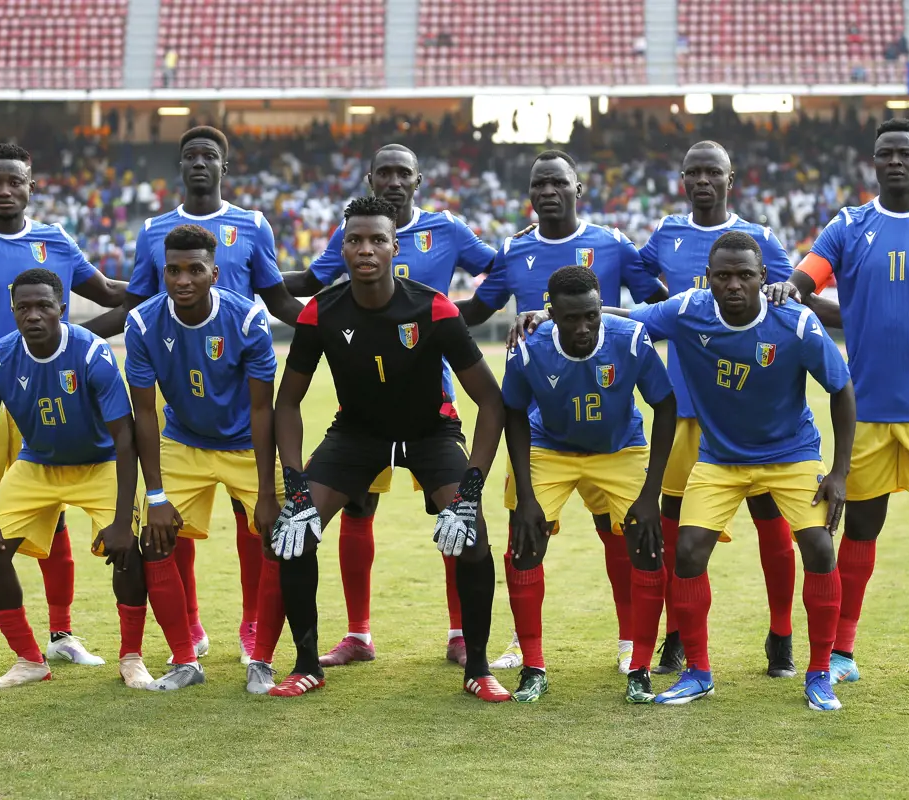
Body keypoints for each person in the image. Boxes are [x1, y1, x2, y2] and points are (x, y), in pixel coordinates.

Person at [525, 232, 855, 710]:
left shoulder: (795, 321)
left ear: (764, 278)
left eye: (745, 275)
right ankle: (699, 671)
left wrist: (839, 472)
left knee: (819, 547)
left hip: (791, 455)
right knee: (688, 551)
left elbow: (841, 389)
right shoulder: (688, 311)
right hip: (720, 458)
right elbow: (626, 318)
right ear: (709, 279)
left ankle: (820, 673)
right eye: (723, 275)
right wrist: (546, 318)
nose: (734, 284)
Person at [766, 118, 909, 693]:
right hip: (865, 409)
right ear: (873, 164)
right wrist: (790, 289)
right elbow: (807, 278)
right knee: (861, 528)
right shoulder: (849, 226)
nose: (894, 161)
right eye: (884, 154)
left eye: (905, 153)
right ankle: (843, 652)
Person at [270, 197, 508, 700]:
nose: (365, 249)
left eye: (377, 239)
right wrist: (294, 487)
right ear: (342, 248)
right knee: (294, 531)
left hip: (431, 432)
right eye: (354, 240)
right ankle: (306, 663)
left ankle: (479, 669)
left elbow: (490, 401)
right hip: (356, 435)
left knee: (473, 535)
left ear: (394, 247)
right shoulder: (321, 313)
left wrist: (469, 491)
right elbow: (286, 404)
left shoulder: (433, 307)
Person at [0, 142, 127, 676]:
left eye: (15, 181)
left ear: (32, 186)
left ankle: (61, 634)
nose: (5, 190)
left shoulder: (55, 240)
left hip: (49, 395)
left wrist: (169, 288)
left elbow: (106, 293)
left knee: (52, 515)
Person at [458, 149, 667, 674]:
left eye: (558, 183)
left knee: (616, 534)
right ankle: (520, 644)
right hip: (540, 410)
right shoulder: (513, 250)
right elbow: (476, 312)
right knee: (523, 535)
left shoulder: (613, 244)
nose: (548, 192)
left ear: (579, 189)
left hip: (609, 407)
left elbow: (653, 307)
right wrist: (414, 308)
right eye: (538, 185)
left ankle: (628, 642)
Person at [104, 126, 302, 668]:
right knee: (171, 523)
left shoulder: (253, 225)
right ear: (179, 165)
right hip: (183, 400)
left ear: (224, 166)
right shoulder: (153, 232)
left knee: (255, 524)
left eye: (209, 156)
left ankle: (252, 625)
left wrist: (334, 325)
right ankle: (187, 627)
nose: (199, 163)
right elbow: (139, 303)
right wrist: (78, 337)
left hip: (242, 398)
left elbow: (278, 296)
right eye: (189, 155)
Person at [637, 140, 814, 678]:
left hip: (749, 411)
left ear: (730, 178)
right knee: (676, 531)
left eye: (713, 171)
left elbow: (789, 297)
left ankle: (780, 635)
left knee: (770, 523)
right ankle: (676, 637)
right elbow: (644, 292)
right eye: (693, 172)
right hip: (685, 408)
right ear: (683, 179)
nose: (703, 180)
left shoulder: (759, 239)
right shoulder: (666, 235)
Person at [0, 269, 152, 689]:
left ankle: (132, 658)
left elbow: (125, 436)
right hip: (37, 465)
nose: (33, 315)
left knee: (128, 550)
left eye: (43, 306)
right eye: (23, 307)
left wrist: (123, 520)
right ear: (12, 312)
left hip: (99, 462)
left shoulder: (90, 353)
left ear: (62, 309)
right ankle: (29, 660)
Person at [503, 265, 677, 704]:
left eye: (591, 316)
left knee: (646, 544)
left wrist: (650, 494)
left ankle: (639, 669)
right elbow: (513, 414)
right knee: (524, 544)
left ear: (601, 309)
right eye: (570, 319)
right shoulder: (528, 347)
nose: (582, 327)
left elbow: (665, 405)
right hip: (550, 448)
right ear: (550, 314)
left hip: (620, 449)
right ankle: (533, 667)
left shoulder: (631, 340)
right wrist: (525, 496)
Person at [123, 224, 279, 692]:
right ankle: (185, 660)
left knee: (280, 536)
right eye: (173, 270)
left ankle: (262, 659)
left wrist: (269, 492)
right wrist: (153, 495)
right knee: (153, 537)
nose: (182, 279)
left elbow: (262, 409)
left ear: (215, 273)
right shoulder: (144, 323)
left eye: (195, 270)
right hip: (184, 441)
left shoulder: (248, 319)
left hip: (246, 444)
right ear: (162, 272)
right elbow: (144, 414)